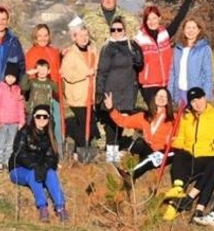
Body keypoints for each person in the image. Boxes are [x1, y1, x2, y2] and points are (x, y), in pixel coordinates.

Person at [163, 87, 214, 224]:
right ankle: (178, 188)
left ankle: (175, 206)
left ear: (205, 98)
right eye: (193, 101)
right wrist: (172, 142)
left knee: (209, 166)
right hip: (190, 153)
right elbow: (181, 138)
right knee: (180, 155)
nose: (197, 103)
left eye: (199, 99)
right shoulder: (186, 116)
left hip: (207, 155)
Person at [133, 0, 195, 104]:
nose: (152, 22)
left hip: (167, 83)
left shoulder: (165, 35)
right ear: (145, 21)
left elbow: (179, 18)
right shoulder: (139, 39)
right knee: (155, 116)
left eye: (154, 18)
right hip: (149, 86)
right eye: (149, 19)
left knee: (167, 117)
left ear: (159, 19)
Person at [10, 105, 69, 222]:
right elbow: (19, 153)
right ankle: (42, 207)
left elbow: (52, 157)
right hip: (19, 169)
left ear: (48, 119)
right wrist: (35, 165)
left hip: (40, 167)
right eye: (38, 116)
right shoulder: (24, 132)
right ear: (33, 117)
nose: (41, 119)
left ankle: (60, 207)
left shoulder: (49, 135)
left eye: (45, 117)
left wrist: (45, 166)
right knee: (33, 174)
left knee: (51, 173)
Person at [96, 16, 144, 163]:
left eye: (119, 29)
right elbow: (102, 71)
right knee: (111, 121)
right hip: (112, 89)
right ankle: (111, 151)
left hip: (127, 89)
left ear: (124, 30)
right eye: (113, 29)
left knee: (122, 119)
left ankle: (116, 148)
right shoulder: (107, 47)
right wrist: (99, 92)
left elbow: (139, 64)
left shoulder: (131, 45)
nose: (116, 32)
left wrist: (137, 52)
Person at [102, 88, 175, 181]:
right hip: (149, 149)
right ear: (154, 98)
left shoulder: (174, 118)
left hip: (163, 152)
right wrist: (111, 109)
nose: (161, 98)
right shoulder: (144, 116)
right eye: (159, 96)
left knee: (151, 158)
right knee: (139, 142)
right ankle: (119, 161)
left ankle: (129, 175)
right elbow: (123, 121)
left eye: (164, 96)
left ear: (168, 100)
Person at [60, 25, 98, 158]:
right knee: (85, 124)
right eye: (80, 35)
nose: (84, 38)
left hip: (90, 95)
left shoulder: (92, 51)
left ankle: (77, 151)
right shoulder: (70, 54)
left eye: (86, 35)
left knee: (87, 124)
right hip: (77, 96)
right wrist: (85, 73)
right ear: (74, 37)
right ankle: (81, 152)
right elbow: (67, 74)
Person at [24, 24, 63, 148]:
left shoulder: (54, 52)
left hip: (53, 94)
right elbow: (29, 79)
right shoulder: (31, 54)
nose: (43, 38)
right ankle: (37, 150)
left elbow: (57, 70)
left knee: (56, 123)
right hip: (39, 96)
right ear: (35, 36)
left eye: (45, 35)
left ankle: (58, 152)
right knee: (38, 124)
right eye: (40, 35)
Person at [169, 17, 213, 104]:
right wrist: (170, 93)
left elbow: (208, 74)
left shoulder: (204, 49)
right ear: (183, 30)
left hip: (196, 93)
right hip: (180, 92)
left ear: (199, 30)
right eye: (188, 28)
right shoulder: (178, 49)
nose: (191, 31)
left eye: (194, 28)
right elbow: (172, 73)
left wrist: (206, 96)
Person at [0, 62, 26, 170]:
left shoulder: (17, 90)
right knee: (0, 143)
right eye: (8, 76)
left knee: (11, 143)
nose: (11, 79)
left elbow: (20, 107)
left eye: (13, 77)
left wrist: (21, 121)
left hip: (14, 122)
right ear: (5, 76)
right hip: (2, 122)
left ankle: (8, 161)